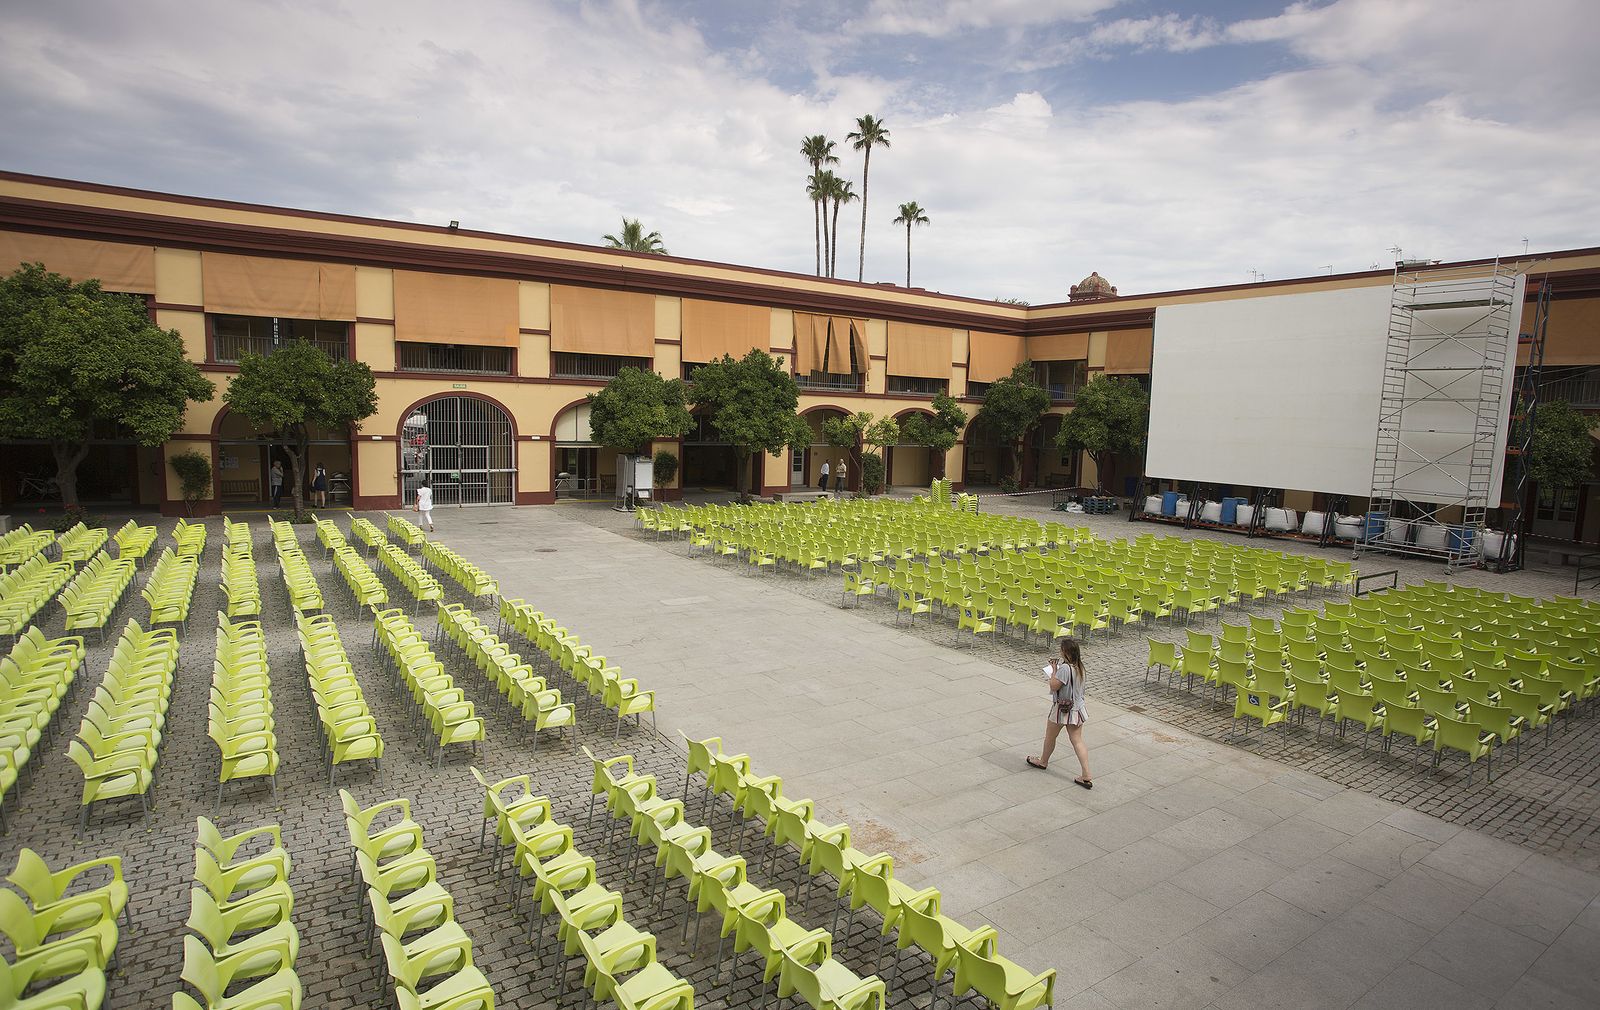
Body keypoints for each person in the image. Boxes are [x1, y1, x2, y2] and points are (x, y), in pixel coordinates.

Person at [1027, 636, 1092, 788]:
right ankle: (1086, 774)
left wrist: (1054, 670)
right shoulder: (1080, 667)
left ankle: (1043, 761)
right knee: (1077, 741)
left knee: (1050, 736)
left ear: (1065, 653)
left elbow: (1054, 685)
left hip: (1062, 710)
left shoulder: (1064, 669)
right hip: (1077, 709)